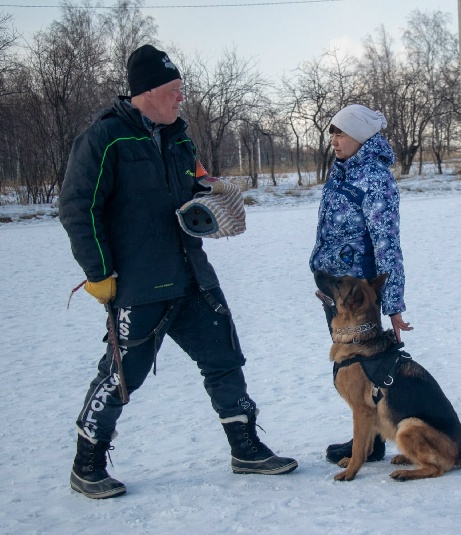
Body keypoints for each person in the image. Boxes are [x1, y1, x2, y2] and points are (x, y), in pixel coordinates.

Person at [59, 44, 297, 500]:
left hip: (192, 276)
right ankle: (86, 464)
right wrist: (98, 271)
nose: (180, 98)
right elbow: (78, 209)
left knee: (225, 360)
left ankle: (245, 448)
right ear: (147, 92)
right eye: (174, 90)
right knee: (120, 377)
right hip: (137, 284)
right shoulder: (104, 139)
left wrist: (212, 199)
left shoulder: (180, 139)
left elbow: (194, 187)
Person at [309, 104, 413, 464]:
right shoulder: (341, 171)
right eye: (332, 134)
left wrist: (394, 306)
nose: (334, 141)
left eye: (341, 133)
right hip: (335, 290)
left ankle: (371, 442)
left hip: (358, 294)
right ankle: (368, 438)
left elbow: (387, 243)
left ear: (361, 136)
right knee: (352, 368)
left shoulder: (375, 178)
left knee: (368, 368)